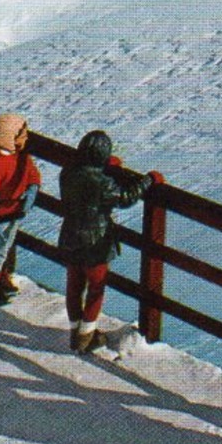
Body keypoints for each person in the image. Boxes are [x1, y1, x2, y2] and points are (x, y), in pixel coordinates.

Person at [57, 129, 156, 353]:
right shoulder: (102, 183)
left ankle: (75, 330)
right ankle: (86, 336)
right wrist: (148, 181)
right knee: (96, 288)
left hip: (71, 236)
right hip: (96, 243)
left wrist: (107, 169)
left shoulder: (68, 173)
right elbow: (126, 197)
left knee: (74, 286)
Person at [0, 112, 41, 306]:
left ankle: (0, 279)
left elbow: (32, 175)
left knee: (4, 248)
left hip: (15, 212)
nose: (26, 138)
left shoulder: (21, 158)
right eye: (22, 135)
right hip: (0, 216)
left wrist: (32, 188)